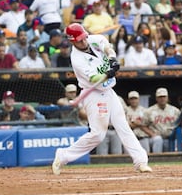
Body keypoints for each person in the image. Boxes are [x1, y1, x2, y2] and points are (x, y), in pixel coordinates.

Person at [52, 23, 152, 175]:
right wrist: (107, 73)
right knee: (98, 135)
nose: (83, 41)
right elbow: (94, 78)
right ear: (72, 41)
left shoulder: (93, 39)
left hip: (108, 91)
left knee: (123, 126)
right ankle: (63, 155)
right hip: (93, 94)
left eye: (84, 37)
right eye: (79, 40)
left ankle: (141, 161)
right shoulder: (77, 60)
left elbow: (107, 48)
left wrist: (112, 59)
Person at [145, 88, 180, 152]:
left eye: (164, 96)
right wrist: (152, 134)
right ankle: (156, 161)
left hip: (171, 138)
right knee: (158, 140)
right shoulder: (149, 111)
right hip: (156, 138)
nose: (162, 99)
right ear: (156, 98)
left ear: (167, 98)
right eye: (160, 97)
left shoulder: (175, 110)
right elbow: (143, 125)